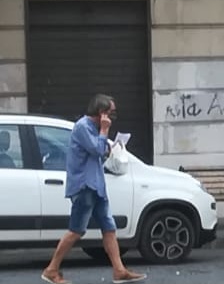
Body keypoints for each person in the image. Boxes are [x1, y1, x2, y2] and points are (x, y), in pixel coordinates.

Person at [42, 94, 146, 284]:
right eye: (111, 113)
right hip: (85, 186)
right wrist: (105, 131)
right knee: (76, 230)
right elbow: (96, 149)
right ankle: (51, 269)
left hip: (97, 186)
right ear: (101, 112)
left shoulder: (95, 129)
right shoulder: (82, 127)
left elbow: (101, 152)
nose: (113, 117)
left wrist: (112, 148)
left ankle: (119, 270)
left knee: (109, 228)